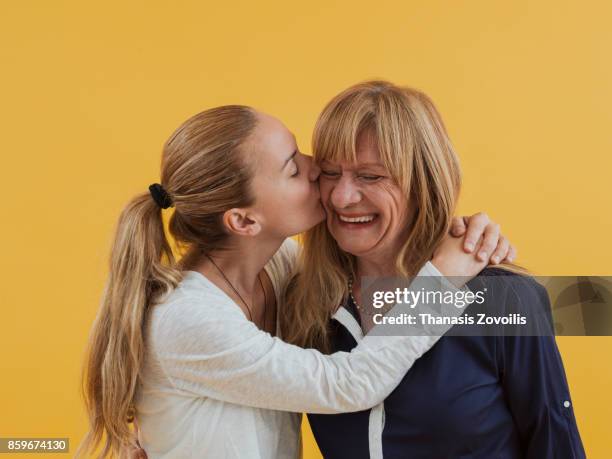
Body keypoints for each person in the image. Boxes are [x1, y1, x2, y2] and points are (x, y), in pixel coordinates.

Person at [77, 105, 514, 458]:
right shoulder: (190, 319)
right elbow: (349, 383)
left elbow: (380, 263)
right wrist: (443, 279)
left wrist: (462, 236)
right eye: (291, 168)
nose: (315, 167)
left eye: (298, 150)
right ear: (244, 220)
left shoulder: (279, 267)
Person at [282, 80, 586, 458]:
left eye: (371, 176)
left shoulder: (505, 300)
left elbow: (556, 444)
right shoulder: (304, 304)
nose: (342, 197)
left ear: (423, 181)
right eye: (329, 173)